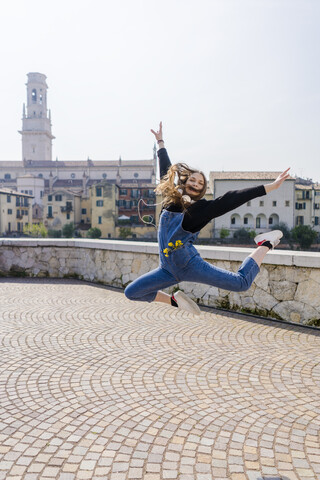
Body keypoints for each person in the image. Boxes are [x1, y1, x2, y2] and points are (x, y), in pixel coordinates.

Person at [124, 122, 290, 315]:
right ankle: (175, 301)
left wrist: (270, 187)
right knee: (132, 292)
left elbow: (232, 198)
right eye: (192, 179)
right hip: (167, 269)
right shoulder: (170, 201)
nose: (196, 183)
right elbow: (166, 173)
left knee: (241, 283)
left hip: (190, 265)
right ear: (185, 183)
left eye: (200, 183)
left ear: (202, 190)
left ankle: (265, 244)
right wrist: (160, 143)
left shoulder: (200, 210)